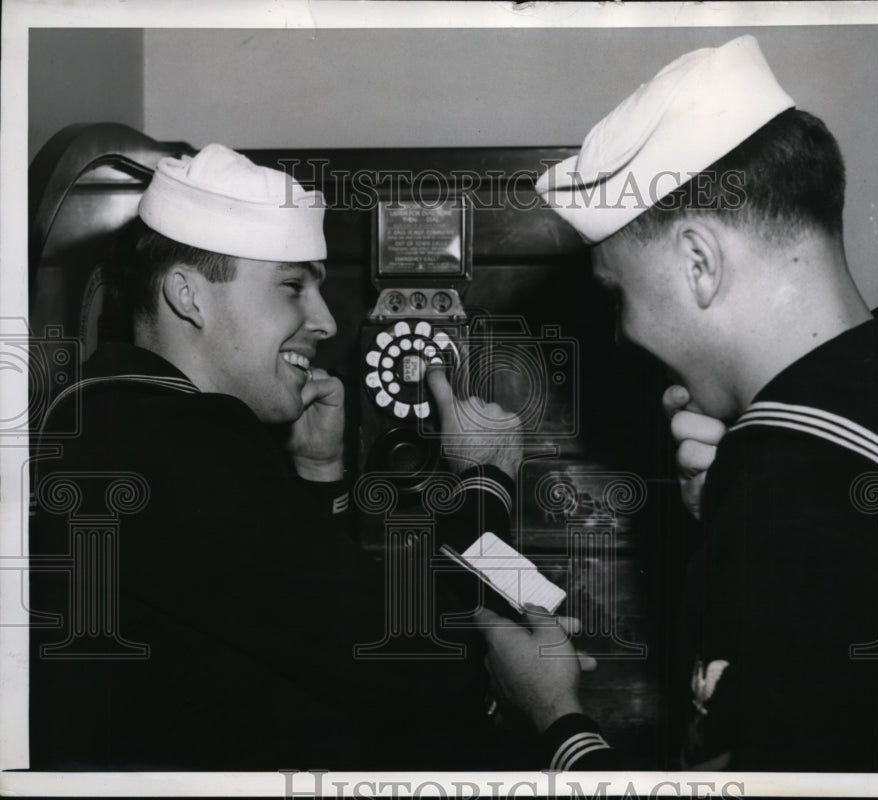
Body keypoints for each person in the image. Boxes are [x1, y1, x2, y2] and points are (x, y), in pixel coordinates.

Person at [28, 143, 597, 770]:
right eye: (293, 287)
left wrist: (317, 476)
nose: (326, 321)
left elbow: (295, 619)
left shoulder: (122, 415)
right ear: (188, 296)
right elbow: (402, 651)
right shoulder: (167, 438)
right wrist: (485, 480)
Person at [483, 34, 878, 772]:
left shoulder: (791, 507)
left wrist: (554, 718)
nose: (623, 335)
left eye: (619, 296)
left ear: (699, 263)